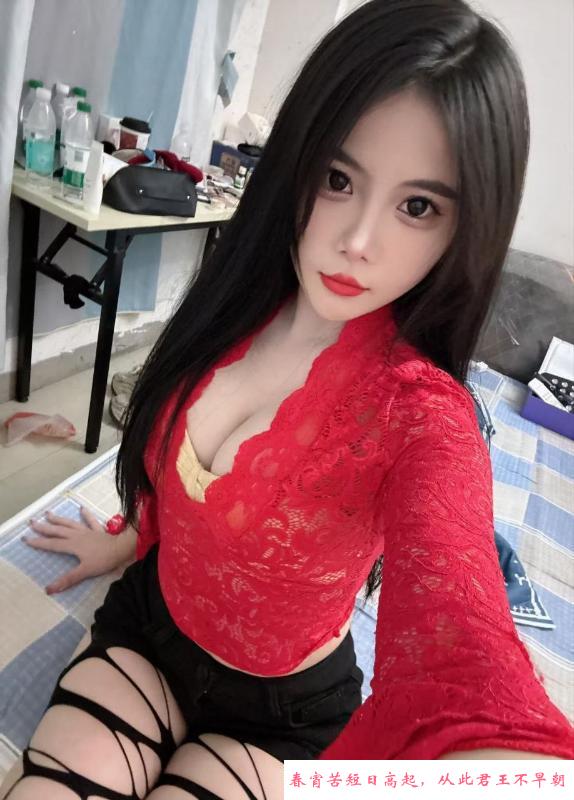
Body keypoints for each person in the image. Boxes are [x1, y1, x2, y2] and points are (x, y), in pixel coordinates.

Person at [3, 0, 574, 798]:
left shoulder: (423, 417)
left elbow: (464, 643)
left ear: (464, 227)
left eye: (418, 206)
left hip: (281, 713)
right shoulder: (234, 300)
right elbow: (172, 465)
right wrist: (131, 537)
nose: (358, 241)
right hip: (150, 625)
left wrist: (510, 770)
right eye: (338, 179)